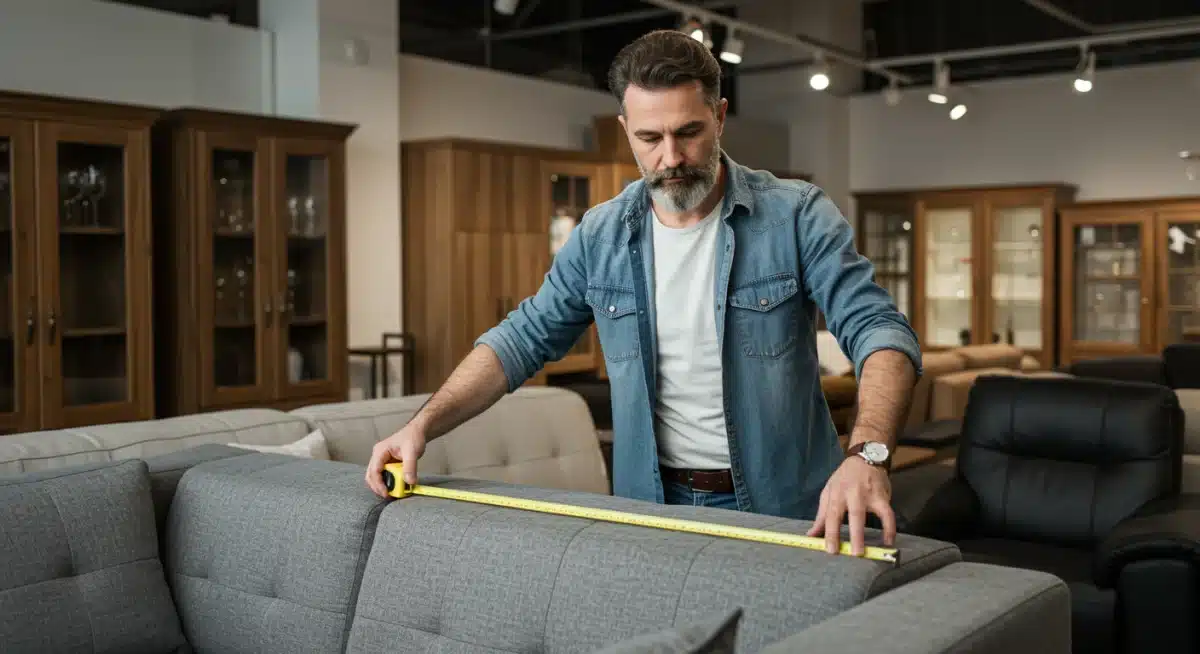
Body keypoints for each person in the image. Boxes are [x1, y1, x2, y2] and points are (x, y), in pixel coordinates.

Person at [366, 29, 922, 557]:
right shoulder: (601, 235)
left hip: (787, 507)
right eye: (649, 139)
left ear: (720, 117)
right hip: (649, 509)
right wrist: (421, 427)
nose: (670, 158)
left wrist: (868, 455)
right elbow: (520, 340)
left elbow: (880, 332)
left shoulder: (796, 215)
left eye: (688, 133)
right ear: (625, 128)